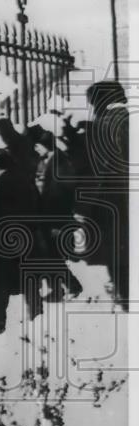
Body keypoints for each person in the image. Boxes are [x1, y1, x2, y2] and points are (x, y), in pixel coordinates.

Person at [0, 147, 43, 334]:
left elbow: (1, 216)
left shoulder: (3, 185)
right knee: (30, 280)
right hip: (28, 238)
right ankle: (37, 317)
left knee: (0, 283)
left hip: (8, 242)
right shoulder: (25, 179)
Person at [78, 80, 129, 309]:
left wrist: (84, 208)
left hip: (114, 202)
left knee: (118, 254)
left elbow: (99, 171)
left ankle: (127, 300)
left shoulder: (103, 125)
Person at [27, 123, 84, 298]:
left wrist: (57, 222)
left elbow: (63, 194)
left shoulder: (59, 162)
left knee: (52, 256)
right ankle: (59, 289)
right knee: (48, 255)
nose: (36, 150)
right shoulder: (48, 161)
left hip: (56, 218)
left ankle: (72, 286)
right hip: (47, 217)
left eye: (37, 146)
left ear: (44, 145)